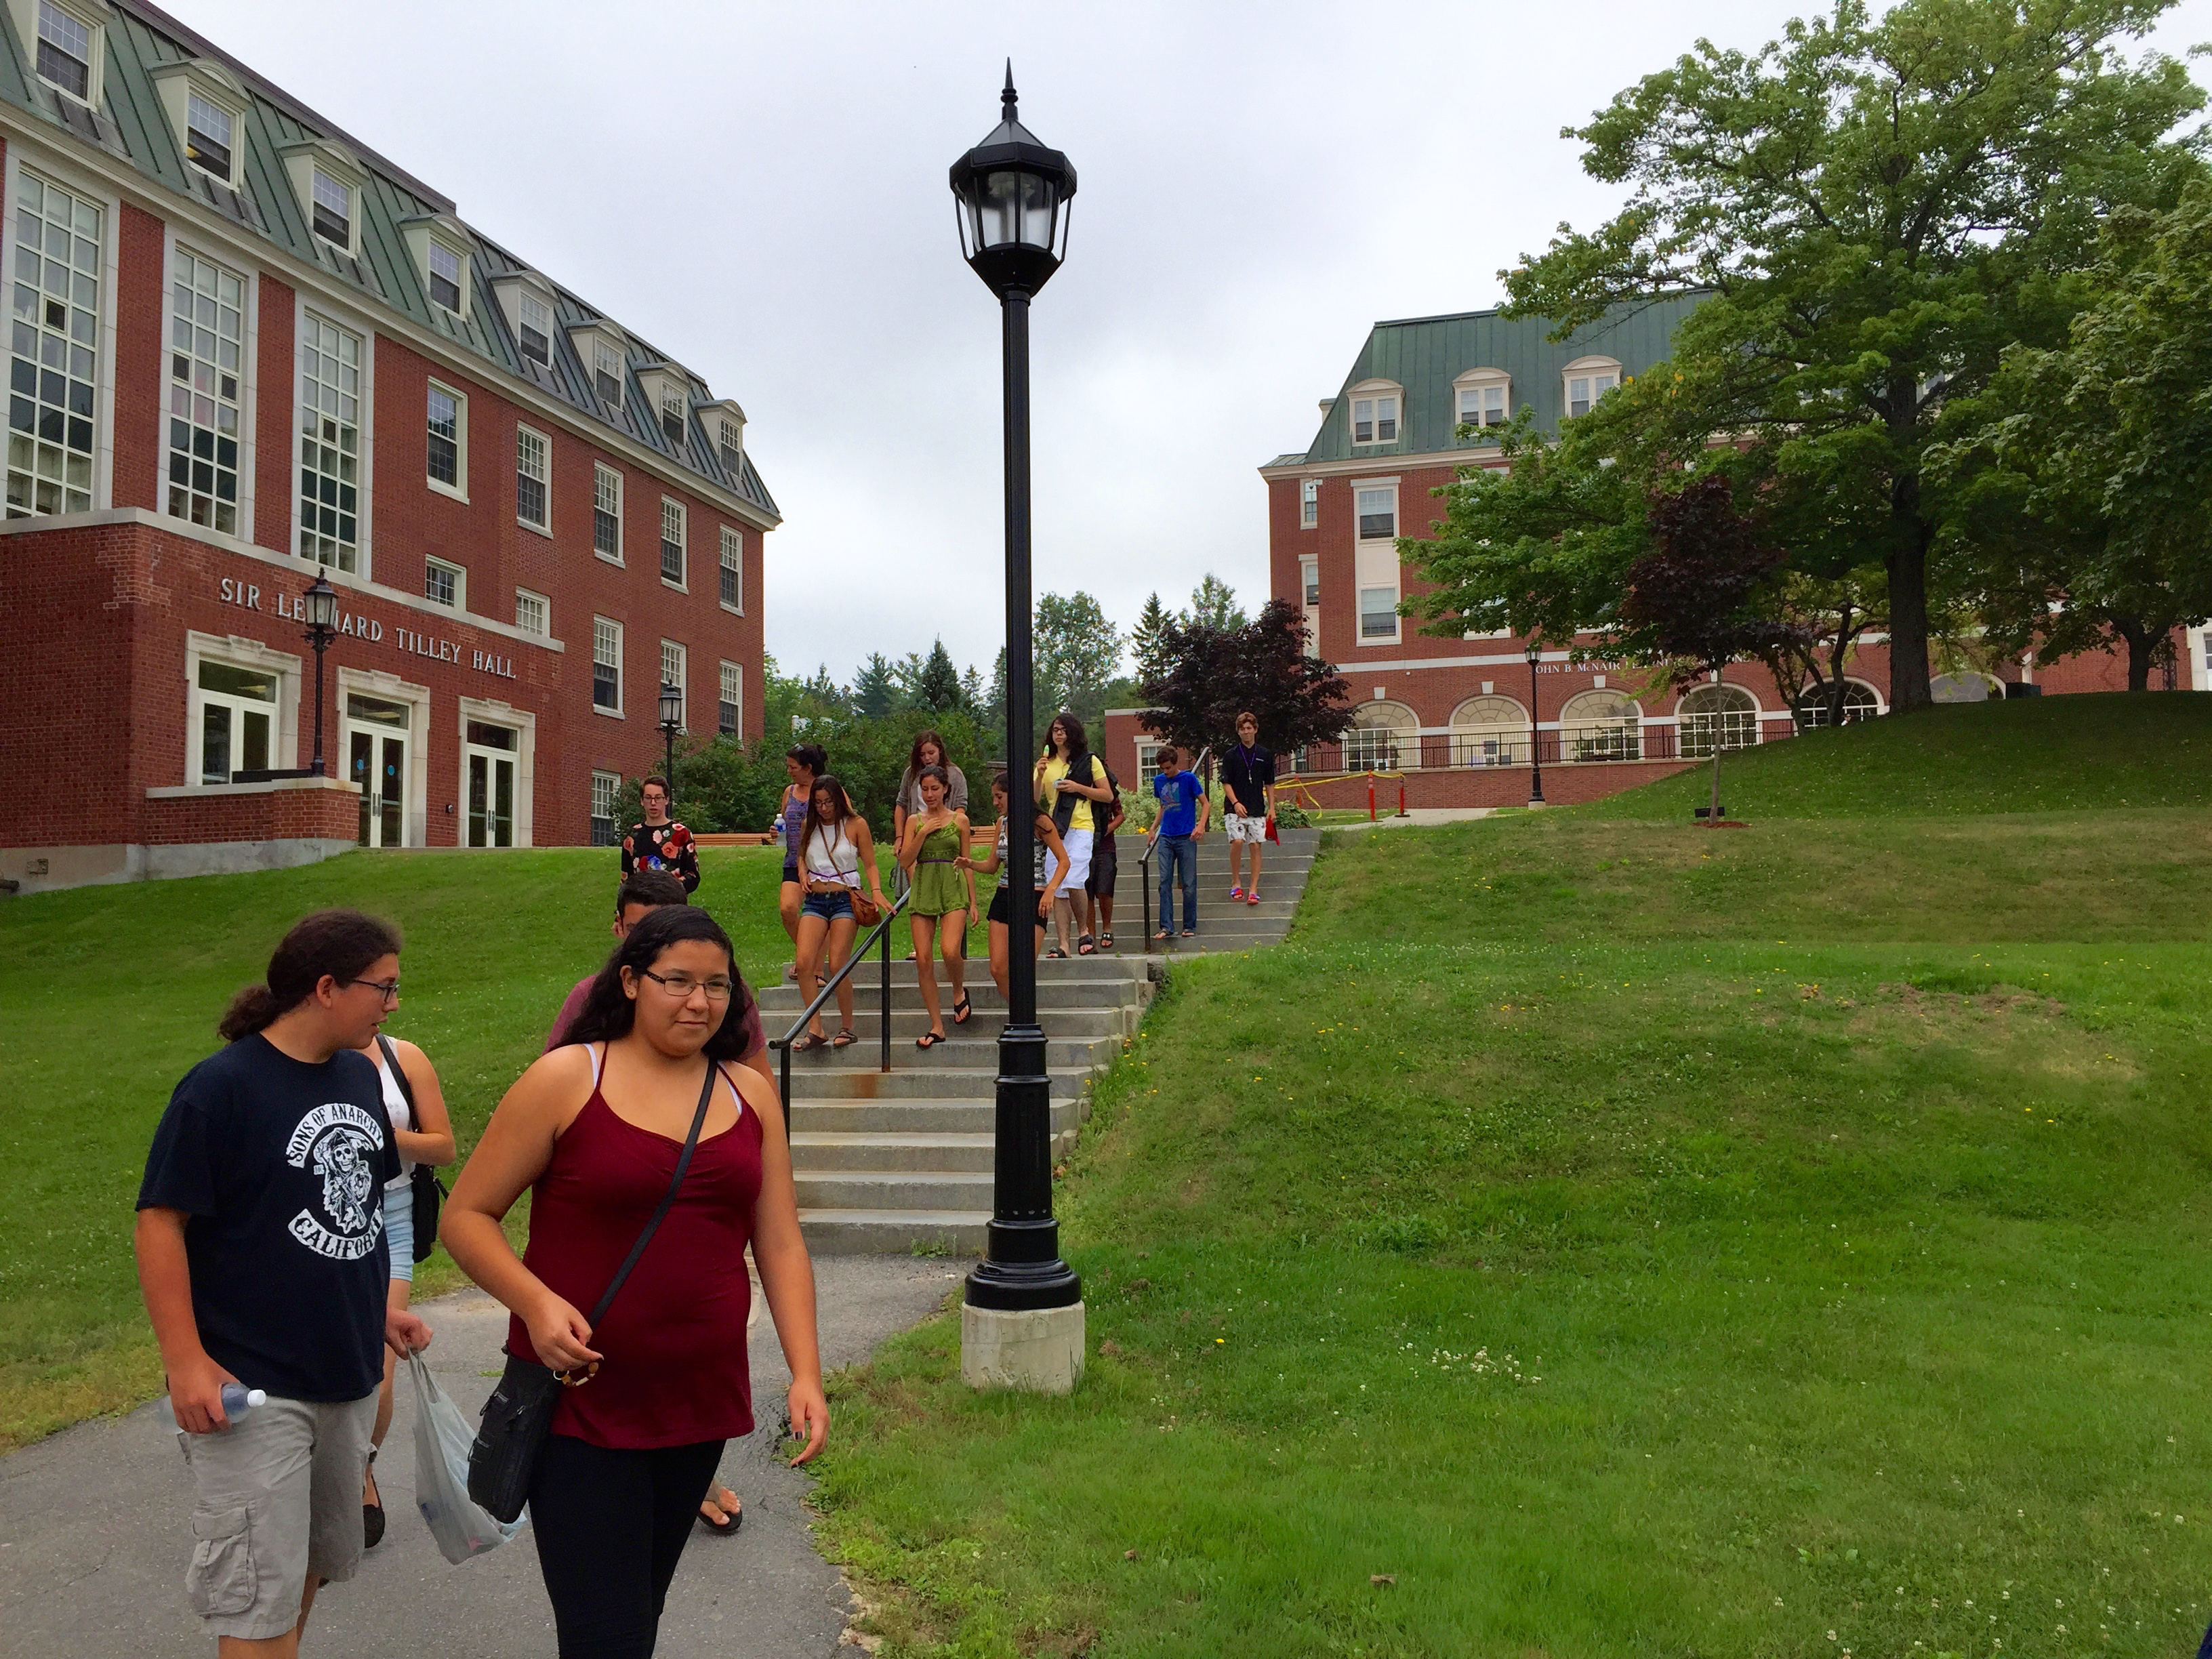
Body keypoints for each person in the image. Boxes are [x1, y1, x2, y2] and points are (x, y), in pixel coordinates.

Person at [442, 907, 828, 1659]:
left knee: (636, 1615)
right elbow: (467, 1215)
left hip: (698, 1404)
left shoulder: (749, 1094)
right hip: (583, 1407)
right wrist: (536, 1302)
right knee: (607, 1635)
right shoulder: (567, 1077)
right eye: (677, 981)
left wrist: (805, 1371)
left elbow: (779, 1242)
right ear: (630, 981)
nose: (698, 1001)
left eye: (717, 985)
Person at [135, 909, 434, 1658]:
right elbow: (160, 1222)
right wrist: (185, 1362)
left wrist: (376, 1316)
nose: (394, 1004)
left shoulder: (359, 1077)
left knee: (303, 1577)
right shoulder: (221, 1089)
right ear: (326, 988)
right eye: (383, 988)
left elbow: (352, 1220)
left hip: (346, 1373)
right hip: (257, 1388)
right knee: (256, 1606)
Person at [544, 868, 769, 1538]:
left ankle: (693, 1471)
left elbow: (753, 1100)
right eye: (643, 938)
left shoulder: (730, 1010)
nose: (694, 998)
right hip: (598, 1303)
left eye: (710, 984)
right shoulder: (585, 1013)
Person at [356, 1026, 453, 1550]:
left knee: (378, 1367)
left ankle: (358, 1471)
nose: (391, 1003)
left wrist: (375, 1134)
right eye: (382, 988)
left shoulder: (403, 1056)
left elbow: (443, 1147)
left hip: (391, 1217)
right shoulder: (291, 1057)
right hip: (318, 1219)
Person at [792, 775, 892, 1052]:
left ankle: (847, 1026)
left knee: (838, 964)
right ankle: (815, 1027)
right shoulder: (808, 826)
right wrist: (802, 871)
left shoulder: (856, 824)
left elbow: (870, 864)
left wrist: (877, 891)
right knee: (803, 963)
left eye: (829, 802)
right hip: (815, 898)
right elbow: (800, 854)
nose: (824, 808)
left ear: (839, 800)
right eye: (819, 803)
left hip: (845, 897)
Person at [960, 771, 1070, 1003]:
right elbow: (992, 865)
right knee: (998, 968)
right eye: (994, 797)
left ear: (1014, 794)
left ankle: (1024, 1017)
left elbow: (1064, 861)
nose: (995, 802)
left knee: (1024, 966)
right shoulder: (1002, 823)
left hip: (1034, 895)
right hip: (1004, 895)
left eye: (999, 796)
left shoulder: (1039, 822)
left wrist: (1050, 891)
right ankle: (1020, 1012)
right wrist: (969, 863)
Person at [897, 765, 972, 1046]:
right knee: (924, 958)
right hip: (924, 884)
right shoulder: (914, 820)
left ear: (945, 790)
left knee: (950, 950)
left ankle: (958, 990)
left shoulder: (960, 821)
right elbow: (905, 860)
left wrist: (973, 903)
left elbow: (966, 863)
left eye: (935, 789)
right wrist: (922, 832)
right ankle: (937, 1025)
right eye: (925, 789)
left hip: (953, 884)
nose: (930, 794)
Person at [1032, 712, 1113, 959]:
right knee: (1056, 884)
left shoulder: (1089, 761)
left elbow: (1107, 795)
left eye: (1063, 730)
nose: (1058, 734)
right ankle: (1064, 943)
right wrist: (1038, 773)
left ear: (1073, 733)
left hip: (1081, 825)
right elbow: (1034, 801)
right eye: (1055, 729)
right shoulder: (1045, 763)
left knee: (1074, 877)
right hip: (1056, 828)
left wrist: (1078, 788)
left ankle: (1084, 931)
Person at [774, 745, 826, 983]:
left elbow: (849, 821)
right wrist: (777, 831)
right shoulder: (789, 792)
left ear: (808, 768)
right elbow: (784, 820)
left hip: (821, 863)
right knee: (788, 909)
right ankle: (808, 954)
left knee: (818, 915)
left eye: (793, 767)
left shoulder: (826, 790)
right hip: (793, 860)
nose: (789, 771)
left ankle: (814, 966)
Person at [1151, 744, 1209, 940]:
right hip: (1166, 836)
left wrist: (1200, 825)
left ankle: (1189, 925)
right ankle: (1166, 926)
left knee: (1188, 882)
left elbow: (1206, 803)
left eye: (1168, 768)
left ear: (1175, 764)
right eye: (1162, 769)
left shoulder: (1188, 779)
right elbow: (1163, 806)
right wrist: (1153, 828)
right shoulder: (1159, 781)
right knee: (1164, 881)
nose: (1165, 772)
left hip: (1186, 836)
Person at [1221, 711, 1276, 905]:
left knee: (1255, 845)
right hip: (1234, 808)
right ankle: (1236, 881)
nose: (1246, 733)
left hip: (1256, 808)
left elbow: (1269, 783)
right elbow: (1226, 782)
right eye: (1243, 729)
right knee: (1237, 841)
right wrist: (1235, 803)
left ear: (1255, 730)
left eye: (1249, 729)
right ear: (1238, 732)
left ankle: (1253, 888)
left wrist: (1272, 808)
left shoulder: (1265, 755)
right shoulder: (1231, 755)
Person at [892, 731, 968, 853]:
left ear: (940, 751)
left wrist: (945, 828)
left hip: (943, 832)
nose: (927, 758)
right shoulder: (911, 774)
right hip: (915, 831)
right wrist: (900, 837)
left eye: (931, 753)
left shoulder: (955, 775)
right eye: (922, 754)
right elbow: (901, 805)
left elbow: (960, 808)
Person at [620, 777, 699, 895]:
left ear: (666, 800)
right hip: (641, 905)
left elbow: (693, 876)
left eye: (658, 798)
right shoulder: (633, 836)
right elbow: (626, 880)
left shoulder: (682, 834)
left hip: (672, 905)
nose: (653, 803)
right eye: (648, 798)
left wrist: (667, 889)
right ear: (642, 801)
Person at [1082, 762, 1124, 952]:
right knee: (1087, 893)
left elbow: (1120, 815)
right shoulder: (1080, 792)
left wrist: (1107, 830)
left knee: (1104, 889)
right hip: (1084, 845)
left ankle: (1107, 926)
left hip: (1105, 846)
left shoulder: (1109, 792)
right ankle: (1090, 936)